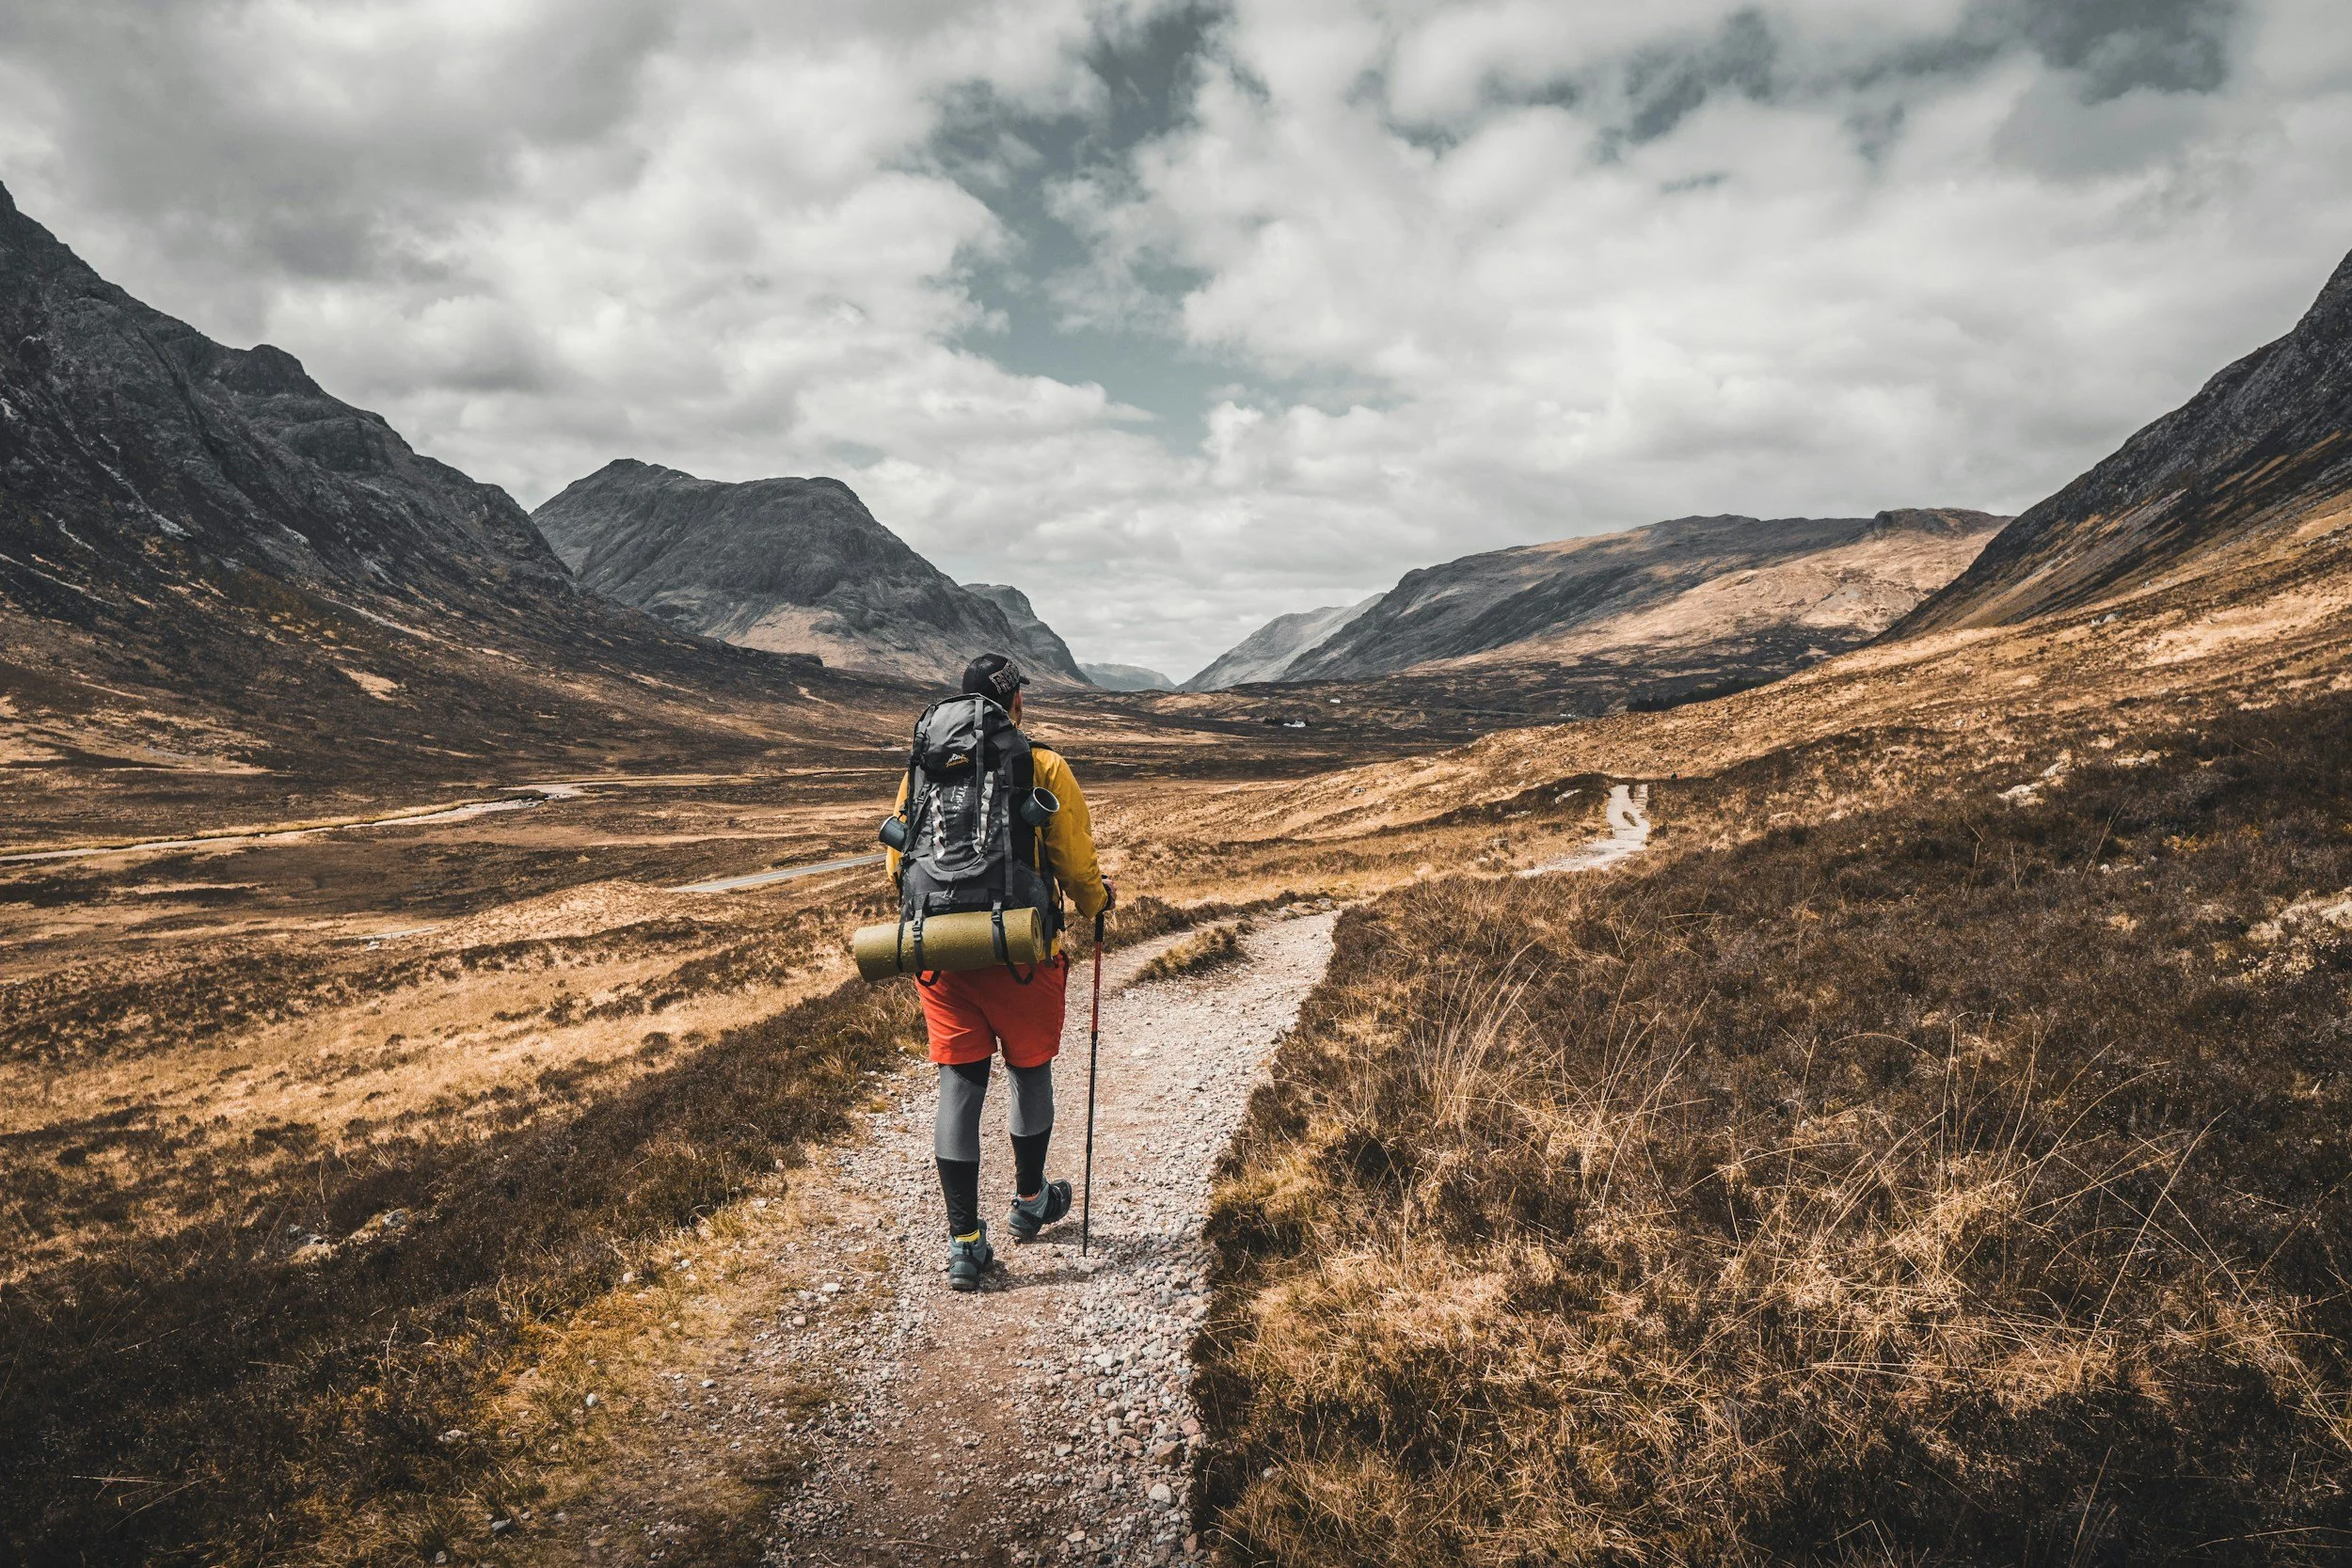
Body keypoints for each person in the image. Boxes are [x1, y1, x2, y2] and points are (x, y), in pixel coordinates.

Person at [884, 652, 1114, 1291]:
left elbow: (896, 865)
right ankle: (1030, 1199)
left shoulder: (925, 766)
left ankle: (964, 1242)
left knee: (959, 1085)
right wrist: (1098, 904)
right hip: (1021, 950)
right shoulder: (1043, 764)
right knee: (1029, 1070)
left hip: (943, 953)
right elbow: (1073, 858)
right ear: (1012, 702)